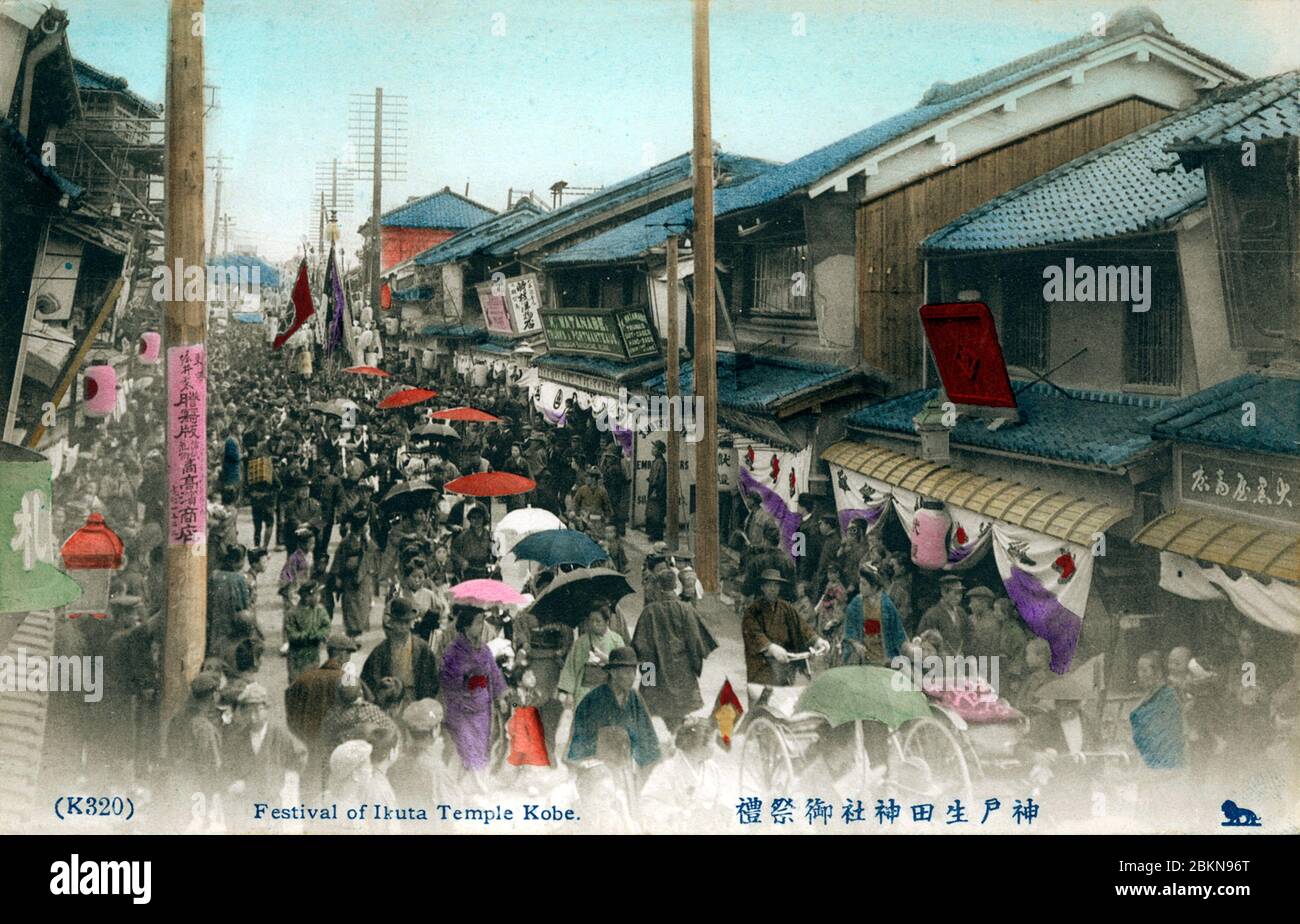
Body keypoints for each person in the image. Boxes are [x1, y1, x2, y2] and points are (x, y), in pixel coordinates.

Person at [632, 569, 716, 732]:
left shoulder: (649, 611)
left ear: (659, 587)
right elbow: (696, 642)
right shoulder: (686, 609)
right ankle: (676, 738)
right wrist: (695, 668)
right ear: (674, 586)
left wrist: (647, 680)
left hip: (655, 671)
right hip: (681, 672)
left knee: (651, 710)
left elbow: (641, 648)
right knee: (678, 713)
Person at [566, 646, 662, 780]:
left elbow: (647, 738)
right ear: (613, 672)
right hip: (598, 774)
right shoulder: (592, 700)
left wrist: (646, 771)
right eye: (627, 672)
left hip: (627, 771)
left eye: (634, 672)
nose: (632, 677)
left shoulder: (635, 698)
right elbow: (580, 744)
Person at [439, 605, 510, 780]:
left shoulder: (484, 649)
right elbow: (446, 680)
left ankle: (477, 784)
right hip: (462, 709)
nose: (481, 627)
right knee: (464, 747)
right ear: (466, 626)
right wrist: (469, 672)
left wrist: (501, 696)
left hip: (483, 709)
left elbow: (494, 673)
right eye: (478, 623)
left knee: (482, 745)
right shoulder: (453, 651)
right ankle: (464, 785)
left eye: (482, 622)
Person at [285, 633, 360, 797]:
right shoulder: (348, 681)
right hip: (337, 749)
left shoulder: (304, 679)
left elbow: (290, 712)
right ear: (340, 654)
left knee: (309, 794)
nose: (348, 658)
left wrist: (301, 733)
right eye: (348, 654)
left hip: (309, 746)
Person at [222, 683, 306, 823]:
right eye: (248, 712)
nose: (253, 717)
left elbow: (300, 755)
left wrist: (285, 778)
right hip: (245, 807)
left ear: (266, 709)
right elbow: (227, 767)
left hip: (271, 806)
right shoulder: (237, 738)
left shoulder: (279, 734)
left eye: (257, 711)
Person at [741, 569, 830, 686]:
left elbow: (801, 626)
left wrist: (816, 640)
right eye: (769, 585)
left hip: (786, 663)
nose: (772, 589)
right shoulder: (753, 611)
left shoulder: (786, 607)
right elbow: (753, 633)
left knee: (785, 698)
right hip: (762, 666)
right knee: (763, 699)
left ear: (779, 588)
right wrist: (770, 647)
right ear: (762, 587)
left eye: (776, 585)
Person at [639, 717, 724, 831]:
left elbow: (719, 799)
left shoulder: (712, 768)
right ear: (698, 745)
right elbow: (646, 803)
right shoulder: (667, 770)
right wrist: (678, 814)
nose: (716, 748)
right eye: (713, 742)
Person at [361, 597, 440, 703]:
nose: (403, 627)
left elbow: (432, 679)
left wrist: (425, 701)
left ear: (412, 623)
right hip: (390, 700)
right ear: (392, 623)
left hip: (415, 699)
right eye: (399, 622)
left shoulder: (422, 648)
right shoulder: (381, 651)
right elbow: (368, 681)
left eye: (406, 623)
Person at [558, 606, 626, 709]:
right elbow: (571, 668)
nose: (594, 624)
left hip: (609, 690)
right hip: (584, 691)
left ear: (607, 621)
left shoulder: (617, 640)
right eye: (591, 620)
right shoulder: (582, 641)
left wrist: (607, 659)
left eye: (598, 621)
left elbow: (624, 666)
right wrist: (569, 693)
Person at [841, 561, 906, 666]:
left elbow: (898, 632)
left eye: (864, 584)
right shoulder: (856, 603)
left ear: (874, 587)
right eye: (860, 583)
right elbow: (849, 628)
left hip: (883, 654)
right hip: (862, 654)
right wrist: (855, 643)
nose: (860, 587)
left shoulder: (887, 604)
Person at [388, 698, 447, 808]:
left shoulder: (394, 764)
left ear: (408, 731)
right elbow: (448, 814)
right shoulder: (437, 770)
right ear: (435, 731)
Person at [330, 510, 376, 639]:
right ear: (360, 527)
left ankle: (357, 633)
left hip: (363, 577)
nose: (367, 527)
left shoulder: (365, 541)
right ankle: (351, 634)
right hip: (349, 578)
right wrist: (338, 576)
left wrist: (368, 539)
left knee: (362, 606)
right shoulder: (346, 542)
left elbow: (373, 552)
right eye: (365, 525)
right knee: (350, 606)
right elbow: (339, 559)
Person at [207, 544, 251, 657]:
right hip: (232, 616)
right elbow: (245, 603)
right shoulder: (240, 578)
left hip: (214, 615)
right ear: (239, 561)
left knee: (215, 638)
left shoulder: (214, 575)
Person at [284, 581, 332, 683]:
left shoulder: (320, 610)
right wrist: (307, 636)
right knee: (296, 684)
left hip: (313, 655)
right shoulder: (292, 613)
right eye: (316, 594)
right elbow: (291, 634)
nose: (319, 597)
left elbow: (326, 627)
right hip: (297, 657)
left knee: (311, 684)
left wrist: (320, 634)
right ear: (306, 596)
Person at [917, 575, 971, 655]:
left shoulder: (961, 612)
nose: (958, 597)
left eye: (960, 593)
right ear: (943, 593)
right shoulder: (932, 614)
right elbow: (922, 640)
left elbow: (969, 633)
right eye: (955, 593)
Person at [451, 504, 493, 581]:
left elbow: (496, 553)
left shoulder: (489, 535)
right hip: (468, 570)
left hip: (484, 570)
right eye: (473, 518)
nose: (477, 520)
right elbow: (453, 551)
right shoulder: (464, 535)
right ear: (470, 520)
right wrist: (462, 561)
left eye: (479, 517)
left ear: (483, 519)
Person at [645, 439, 668, 542]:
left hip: (657, 491)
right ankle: (654, 535)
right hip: (655, 489)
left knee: (656, 514)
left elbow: (661, 479)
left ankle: (656, 536)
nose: (652, 450)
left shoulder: (660, 462)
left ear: (659, 450)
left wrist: (655, 489)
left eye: (655, 448)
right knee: (653, 513)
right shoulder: (657, 461)